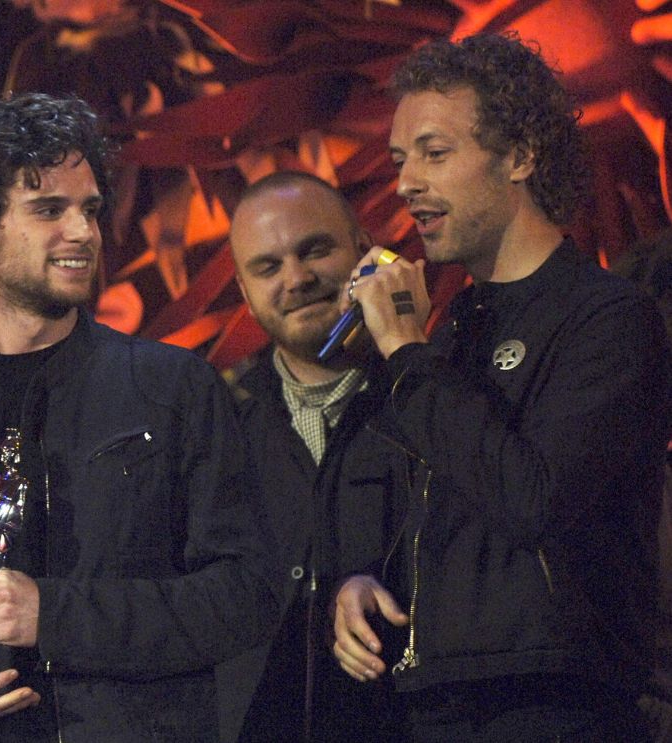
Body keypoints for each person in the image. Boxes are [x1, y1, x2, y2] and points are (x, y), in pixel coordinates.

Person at [0, 91, 274, 742]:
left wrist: (57, 613)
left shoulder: (173, 387)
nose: (82, 232)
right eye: (48, 210)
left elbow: (244, 593)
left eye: (89, 210)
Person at [331, 33, 672, 741]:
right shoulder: (448, 332)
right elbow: (424, 507)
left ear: (518, 155)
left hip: (554, 701)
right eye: (398, 162)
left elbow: (535, 497)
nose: (405, 184)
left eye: (434, 152)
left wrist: (403, 348)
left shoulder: (606, 316)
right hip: (436, 700)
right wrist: (365, 577)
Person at [219, 171, 402, 742]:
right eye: (268, 267)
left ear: (363, 250)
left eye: (315, 250)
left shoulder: (429, 395)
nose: (297, 278)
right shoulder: (214, 424)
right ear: (245, 296)